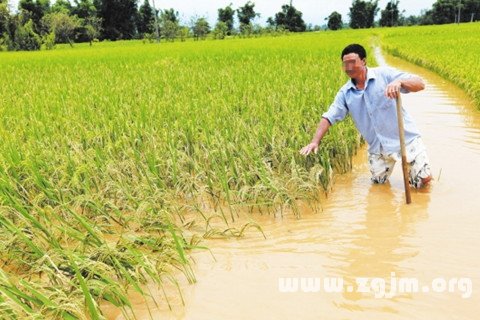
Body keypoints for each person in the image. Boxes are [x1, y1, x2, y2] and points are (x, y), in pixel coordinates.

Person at [300, 43, 432, 188]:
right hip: (378, 148)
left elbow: (420, 84)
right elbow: (329, 116)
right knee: (378, 187)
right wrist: (315, 141)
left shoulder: (385, 75)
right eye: (345, 64)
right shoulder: (345, 93)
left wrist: (399, 82)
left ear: (364, 61)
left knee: (423, 181)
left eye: (352, 62)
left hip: (405, 139)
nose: (348, 67)